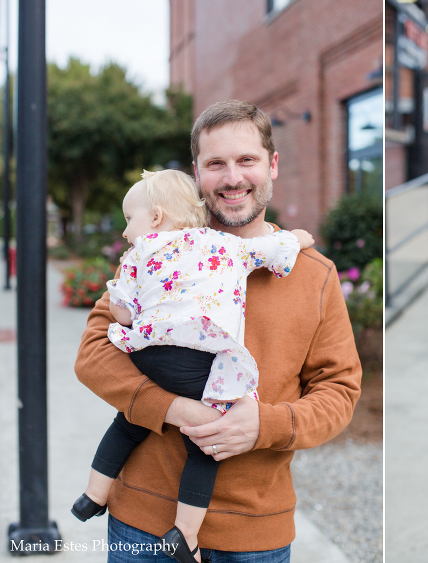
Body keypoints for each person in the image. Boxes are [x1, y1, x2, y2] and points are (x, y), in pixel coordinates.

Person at [75, 100, 363, 563]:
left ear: (271, 165)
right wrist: (175, 409)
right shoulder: (159, 255)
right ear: (196, 173)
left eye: (246, 160)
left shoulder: (316, 275)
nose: (232, 178)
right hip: (142, 525)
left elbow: (340, 392)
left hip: (255, 537)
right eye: (215, 164)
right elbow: (93, 354)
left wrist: (265, 425)